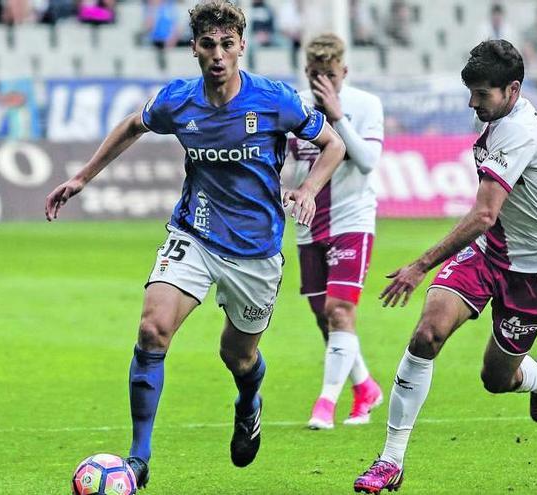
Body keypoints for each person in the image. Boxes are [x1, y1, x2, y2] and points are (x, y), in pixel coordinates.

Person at [44, 1, 346, 490]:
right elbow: (131, 125)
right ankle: (139, 459)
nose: (219, 55)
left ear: (242, 46)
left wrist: (308, 188)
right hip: (195, 232)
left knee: (238, 356)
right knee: (152, 330)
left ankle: (249, 402)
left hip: (256, 250)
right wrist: (82, 177)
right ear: (194, 49)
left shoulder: (275, 100)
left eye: (228, 44)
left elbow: (334, 144)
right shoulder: (178, 101)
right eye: (209, 44)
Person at [353, 39, 537, 494]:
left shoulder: (518, 132)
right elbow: (490, 226)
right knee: (426, 334)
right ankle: (390, 461)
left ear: (512, 89)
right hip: (488, 254)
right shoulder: (504, 119)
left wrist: (420, 265)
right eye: (470, 92)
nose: (472, 103)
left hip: (532, 274)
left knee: (497, 379)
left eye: (482, 94)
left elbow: (485, 213)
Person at [287, 33, 384, 430]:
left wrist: (337, 115)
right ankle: (365, 388)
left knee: (339, 310)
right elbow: (292, 161)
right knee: (322, 316)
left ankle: (325, 403)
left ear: (344, 71)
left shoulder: (365, 105)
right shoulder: (293, 107)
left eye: (330, 74)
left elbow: (366, 162)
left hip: (352, 219)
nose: (322, 83)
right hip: (309, 222)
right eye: (315, 75)